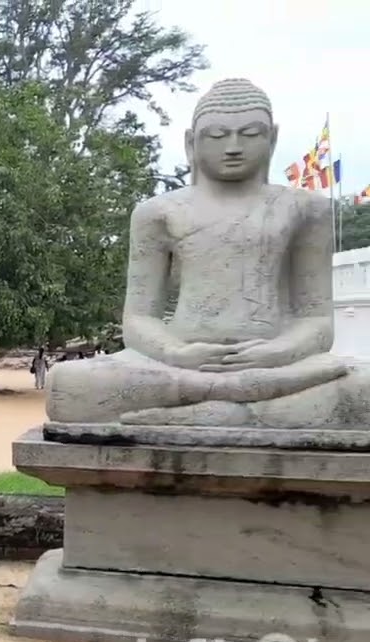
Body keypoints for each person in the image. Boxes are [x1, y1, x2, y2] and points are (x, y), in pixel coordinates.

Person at [45, 77, 370, 428]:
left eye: (249, 134)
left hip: (278, 363)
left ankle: (205, 411)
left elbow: (318, 321)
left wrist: (277, 352)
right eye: (216, 135)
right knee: (68, 386)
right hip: (181, 364)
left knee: (362, 390)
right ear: (191, 143)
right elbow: (139, 319)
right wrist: (177, 353)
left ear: (272, 138)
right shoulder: (158, 212)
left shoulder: (306, 209)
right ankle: (246, 408)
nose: (233, 146)